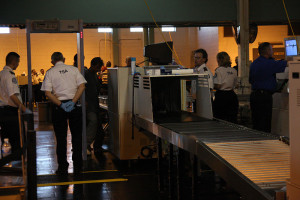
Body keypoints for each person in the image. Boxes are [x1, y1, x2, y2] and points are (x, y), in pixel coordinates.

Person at [41, 52, 87, 175]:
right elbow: (82, 86)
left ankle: (62, 167)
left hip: (58, 107)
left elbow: (47, 93)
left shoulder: (50, 72)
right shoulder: (73, 69)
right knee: (77, 137)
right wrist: (73, 102)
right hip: (74, 106)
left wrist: (61, 105)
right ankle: (78, 165)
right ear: (64, 59)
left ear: (52, 61)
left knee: (60, 138)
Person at [249, 42, 287, 132]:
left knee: (256, 122)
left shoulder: (254, 63)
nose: (272, 51)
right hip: (264, 97)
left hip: (254, 96)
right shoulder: (270, 63)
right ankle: (265, 143)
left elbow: (250, 80)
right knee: (265, 123)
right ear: (267, 51)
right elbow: (289, 64)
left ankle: (256, 143)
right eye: (271, 49)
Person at [0, 52, 31, 156]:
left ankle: (7, 161)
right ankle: (18, 164)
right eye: (18, 62)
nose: (18, 64)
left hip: (2, 111)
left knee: (5, 139)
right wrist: (24, 109)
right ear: (14, 61)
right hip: (10, 112)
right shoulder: (9, 75)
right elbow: (12, 95)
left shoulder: (1, 74)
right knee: (16, 139)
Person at [85, 57, 105, 155]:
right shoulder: (86, 74)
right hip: (89, 105)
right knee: (93, 122)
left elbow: (97, 88)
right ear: (94, 65)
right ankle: (86, 144)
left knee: (99, 128)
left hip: (94, 104)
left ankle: (96, 147)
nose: (99, 69)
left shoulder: (94, 75)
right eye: (98, 67)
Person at [213, 52, 239, 123]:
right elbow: (236, 85)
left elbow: (218, 85)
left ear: (219, 60)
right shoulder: (234, 70)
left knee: (219, 118)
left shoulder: (218, 70)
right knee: (232, 118)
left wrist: (211, 85)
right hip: (232, 96)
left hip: (221, 96)